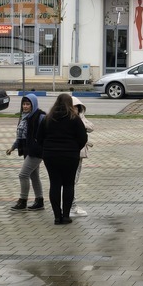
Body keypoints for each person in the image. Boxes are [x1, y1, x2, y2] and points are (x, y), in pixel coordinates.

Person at [38, 93, 89, 225]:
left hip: (50, 156)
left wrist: (47, 148)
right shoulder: (75, 119)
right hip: (70, 156)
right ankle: (66, 216)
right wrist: (74, 148)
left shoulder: (47, 119)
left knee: (54, 184)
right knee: (68, 184)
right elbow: (83, 138)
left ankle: (56, 216)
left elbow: (39, 137)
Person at [6, 94, 46, 212]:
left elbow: (47, 131)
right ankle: (39, 201)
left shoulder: (40, 116)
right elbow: (21, 136)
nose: (25, 106)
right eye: (23, 104)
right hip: (27, 150)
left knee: (23, 175)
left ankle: (23, 201)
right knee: (34, 176)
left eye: (28, 104)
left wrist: (39, 143)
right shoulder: (24, 116)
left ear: (33, 104)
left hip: (36, 151)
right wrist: (13, 147)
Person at [69, 97, 96, 217]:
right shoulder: (65, 120)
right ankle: (71, 206)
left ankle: (70, 204)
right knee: (71, 181)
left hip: (78, 154)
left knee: (74, 180)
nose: (74, 109)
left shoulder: (81, 118)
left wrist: (80, 119)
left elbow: (91, 127)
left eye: (76, 107)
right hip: (69, 154)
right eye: (72, 107)